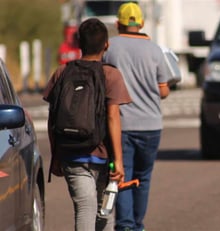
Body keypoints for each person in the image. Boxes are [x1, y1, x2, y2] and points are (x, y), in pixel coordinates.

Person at [43, 18, 131, 231]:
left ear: (79, 43)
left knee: (86, 207)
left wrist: (55, 156)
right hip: (102, 156)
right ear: (106, 45)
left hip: (71, 155)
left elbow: (52, 118)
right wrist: (119, 160)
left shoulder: (61, 73)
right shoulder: (110, 74)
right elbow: (113, 117)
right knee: (104, 211)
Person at [103, 2, 171, 231]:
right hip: (152, 125)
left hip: (121, 125)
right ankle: (138, 225)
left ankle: (125, 226)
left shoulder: (110, 47)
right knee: (144, 178)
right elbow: (163, 90)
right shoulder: (155, 50)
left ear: (117, 23)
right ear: (141, 23)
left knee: (122, 177)